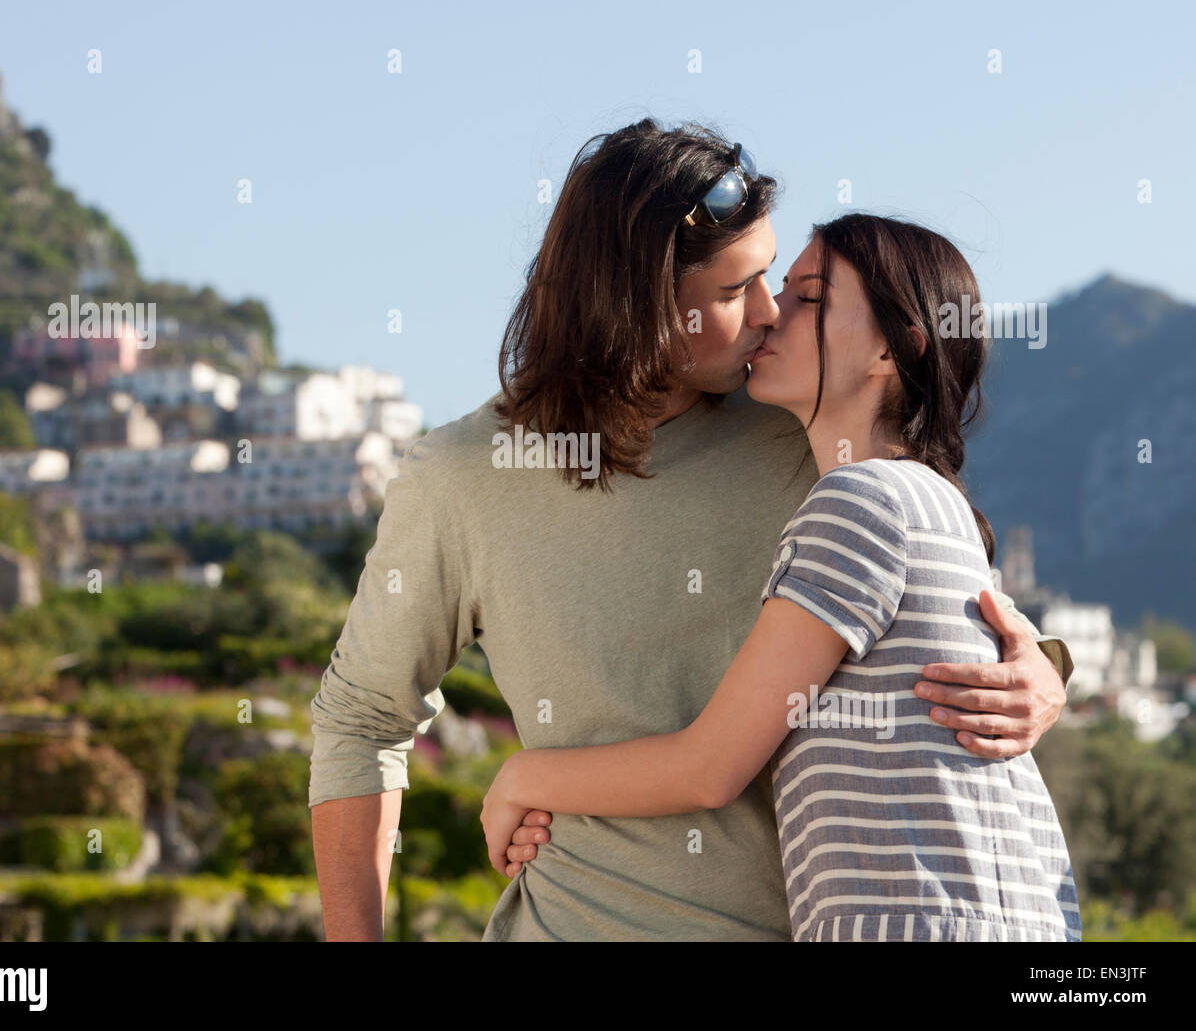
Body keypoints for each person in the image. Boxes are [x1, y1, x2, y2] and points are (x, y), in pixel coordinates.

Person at [309, 119, 1073, 942]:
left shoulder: (802, 422)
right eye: (733, 291)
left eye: (775, 279)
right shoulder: (460, 477)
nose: (769, 312)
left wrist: (1044, 673)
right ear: (637, 301)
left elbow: (941, 589)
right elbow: (360, 721)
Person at [481, 213, 1080, 942]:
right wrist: (1051, 669)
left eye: (810, 297)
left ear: (894, 349)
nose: (770, 314)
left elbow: (709, 767)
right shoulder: (934, 501)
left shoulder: (861, 500)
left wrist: (521, 777)